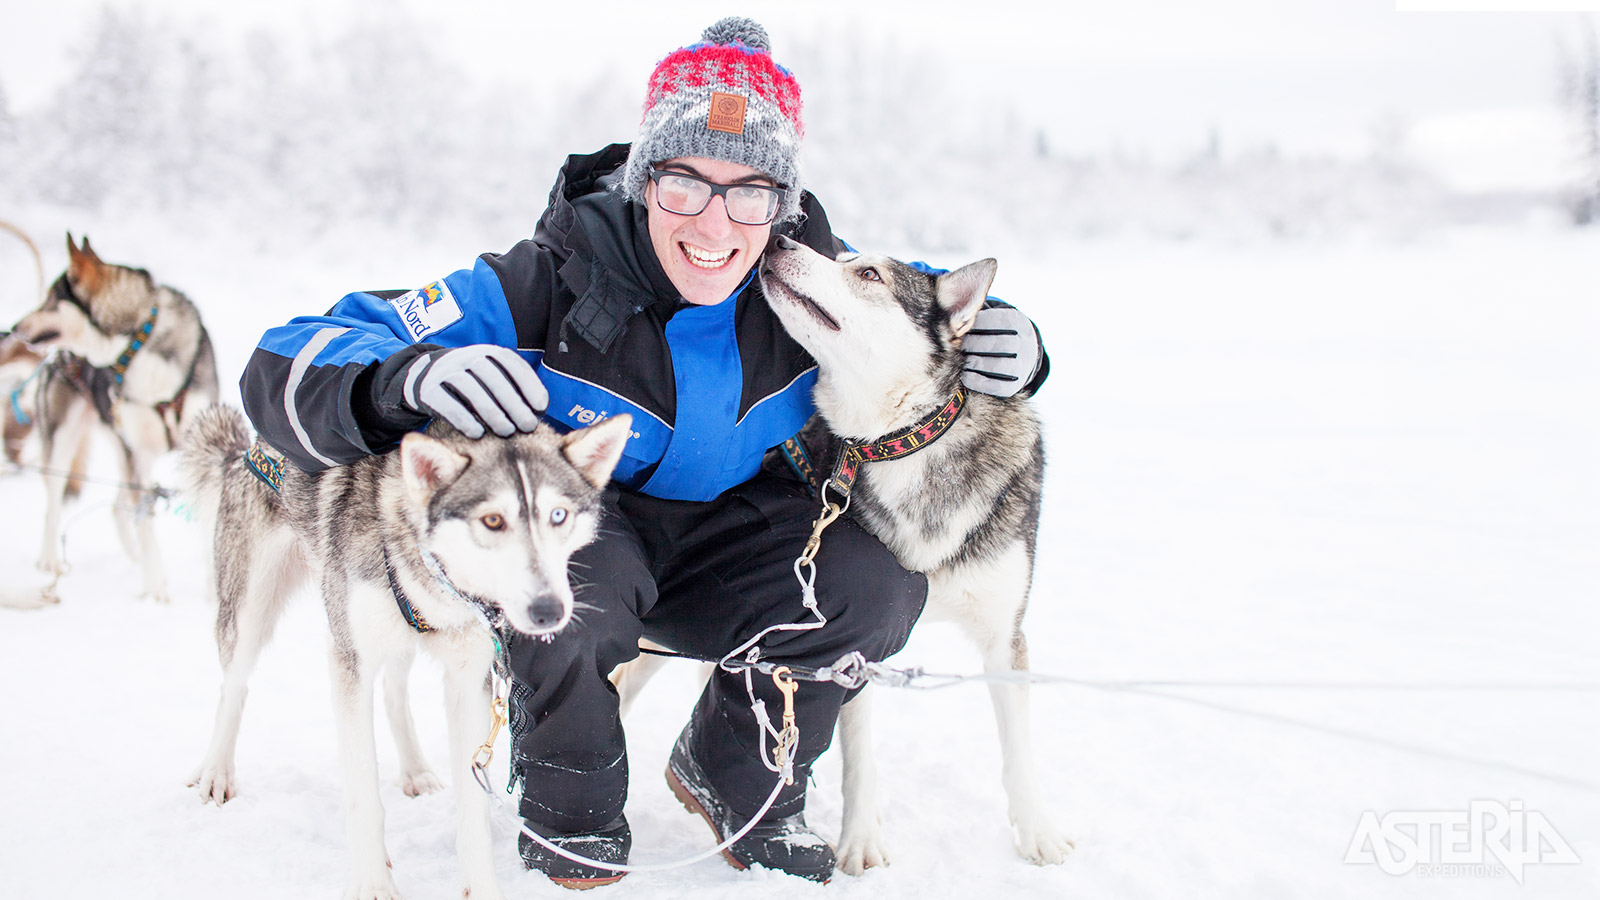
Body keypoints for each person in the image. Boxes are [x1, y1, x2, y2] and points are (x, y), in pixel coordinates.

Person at [239, 16, 1048, 888]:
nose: (716, 222)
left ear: (780, 205)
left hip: (738, 536)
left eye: (749, 193)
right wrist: (406, 379)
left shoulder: (804, 275)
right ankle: (570, 813)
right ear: (641, 181)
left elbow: (925, 306)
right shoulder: (546, 278)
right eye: (684, 185)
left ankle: (742, 779)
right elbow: (287, 353)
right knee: (564, 573)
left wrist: (1023, 347)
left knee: (874, 584)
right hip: (594, 525)